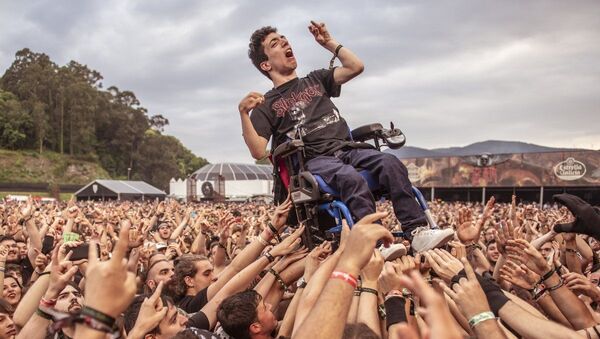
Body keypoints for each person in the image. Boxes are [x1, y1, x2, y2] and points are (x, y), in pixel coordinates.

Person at [238, 21, 453, 252]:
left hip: (348, 147)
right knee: (350, 177)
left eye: (283, 38)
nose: (284, 42)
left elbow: (355, 66)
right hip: (315, 160)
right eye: (275, 43)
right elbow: (258, 151)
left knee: (390, 163)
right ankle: (378, 243)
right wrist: (243, 113)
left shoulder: (315, 79)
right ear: (266, 64)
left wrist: (328, 43)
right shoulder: (267, 104)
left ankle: (417, 231)